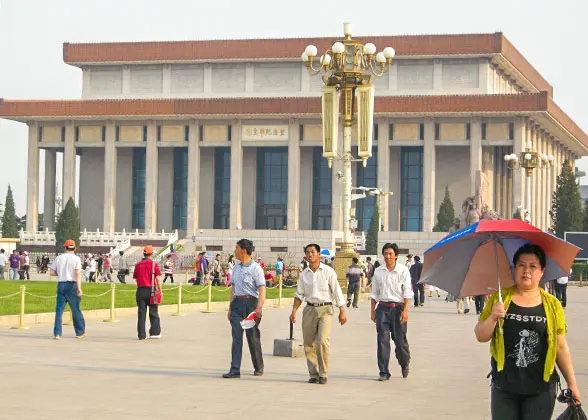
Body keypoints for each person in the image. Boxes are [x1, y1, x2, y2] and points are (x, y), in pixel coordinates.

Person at [474, 244, 581, 419]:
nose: (526, 271)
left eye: (533, 266)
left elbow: (561, 348)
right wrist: (493, 317)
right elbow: (480, 336)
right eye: (521, 265)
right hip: (504, 387)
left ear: (542, 270)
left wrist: (572, 384)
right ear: (514, 268)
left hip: (541, 388)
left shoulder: (553, 305)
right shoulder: (500, 299)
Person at [290, 243, 346, 384]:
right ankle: (313, 374)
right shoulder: (304, 275)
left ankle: (323, 373)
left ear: (319, 254)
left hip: (326, 309)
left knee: (322, 341)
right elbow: (299, 295)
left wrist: (342, 311)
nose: (310, 255)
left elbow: (336, 291)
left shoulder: (328, 272)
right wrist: (294, 311)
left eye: (313, 252)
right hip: (309, 309)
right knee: (309, 344)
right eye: (308, 252)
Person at [223, 239, 265, 379]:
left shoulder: (256, 268)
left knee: (252, 337)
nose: (234, 251)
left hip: (251, 304)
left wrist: (259, 307)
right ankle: (235, 369)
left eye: (236, 248)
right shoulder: (236, 267)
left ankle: (258, 366)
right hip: (237, 305)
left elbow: (262, 289)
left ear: (243, 251)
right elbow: (233, 288)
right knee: (236, 337)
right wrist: (230, 307)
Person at [370, 243, 412, 380]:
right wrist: (372, 310)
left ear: (396, 256)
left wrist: (405, 310)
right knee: (382, 340)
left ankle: (404, 362)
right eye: (385, 254)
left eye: (390, 254)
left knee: (400, 342)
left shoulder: (403, 271)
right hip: (382, 308)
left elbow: (407, 293)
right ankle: (383, 371)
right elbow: (375, 293)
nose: (387, 256)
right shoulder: (378, 271)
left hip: (398, 309)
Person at [49, 239, 85, 339]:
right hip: (72, 285)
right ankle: (80, 332)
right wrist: (79, 287)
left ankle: (57, 333)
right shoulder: (76, 259)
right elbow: (77, 273)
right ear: (75, 248)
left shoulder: (59, 258)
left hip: (61, 285)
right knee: (75, 309)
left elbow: (51, 272)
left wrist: (60, 273)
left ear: (65, 247)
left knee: (59, 310)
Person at [133, 245, 163, 340]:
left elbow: (136, 278)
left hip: (141, 290)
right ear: (152, 254)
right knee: (153, 311)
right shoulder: (154, 265)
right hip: (152, 290)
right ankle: (154, 333)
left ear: (143, 253)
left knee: (141, 313)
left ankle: (141, 334)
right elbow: (158, 279)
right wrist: (160, 290)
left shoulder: (138, 265)